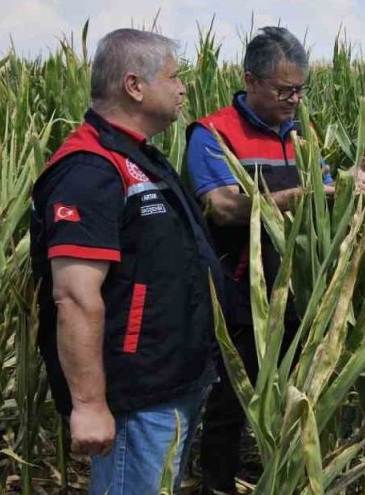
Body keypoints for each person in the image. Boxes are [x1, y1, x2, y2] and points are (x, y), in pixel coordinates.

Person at [30, 29, 225, 494]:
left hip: (170, 380)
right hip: (136, 395)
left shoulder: (138, 156)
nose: (183, 88)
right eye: (174, 77)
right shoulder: (89, 169)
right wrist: (89, 404)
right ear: (134, 86)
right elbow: (74, 295)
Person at [185, 26, 365, 494]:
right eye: (284, 90)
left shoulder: (300, 134)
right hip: (239, 291)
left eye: (300, 90)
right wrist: (304, 193)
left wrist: (345, 185)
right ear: (250, 80)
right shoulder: (213, 134)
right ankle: (217, 483)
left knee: (296, 389)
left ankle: (283, 476)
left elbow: (321, 192)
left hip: (296, 290)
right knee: (233, 394)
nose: (295, 100)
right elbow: (223, 206)